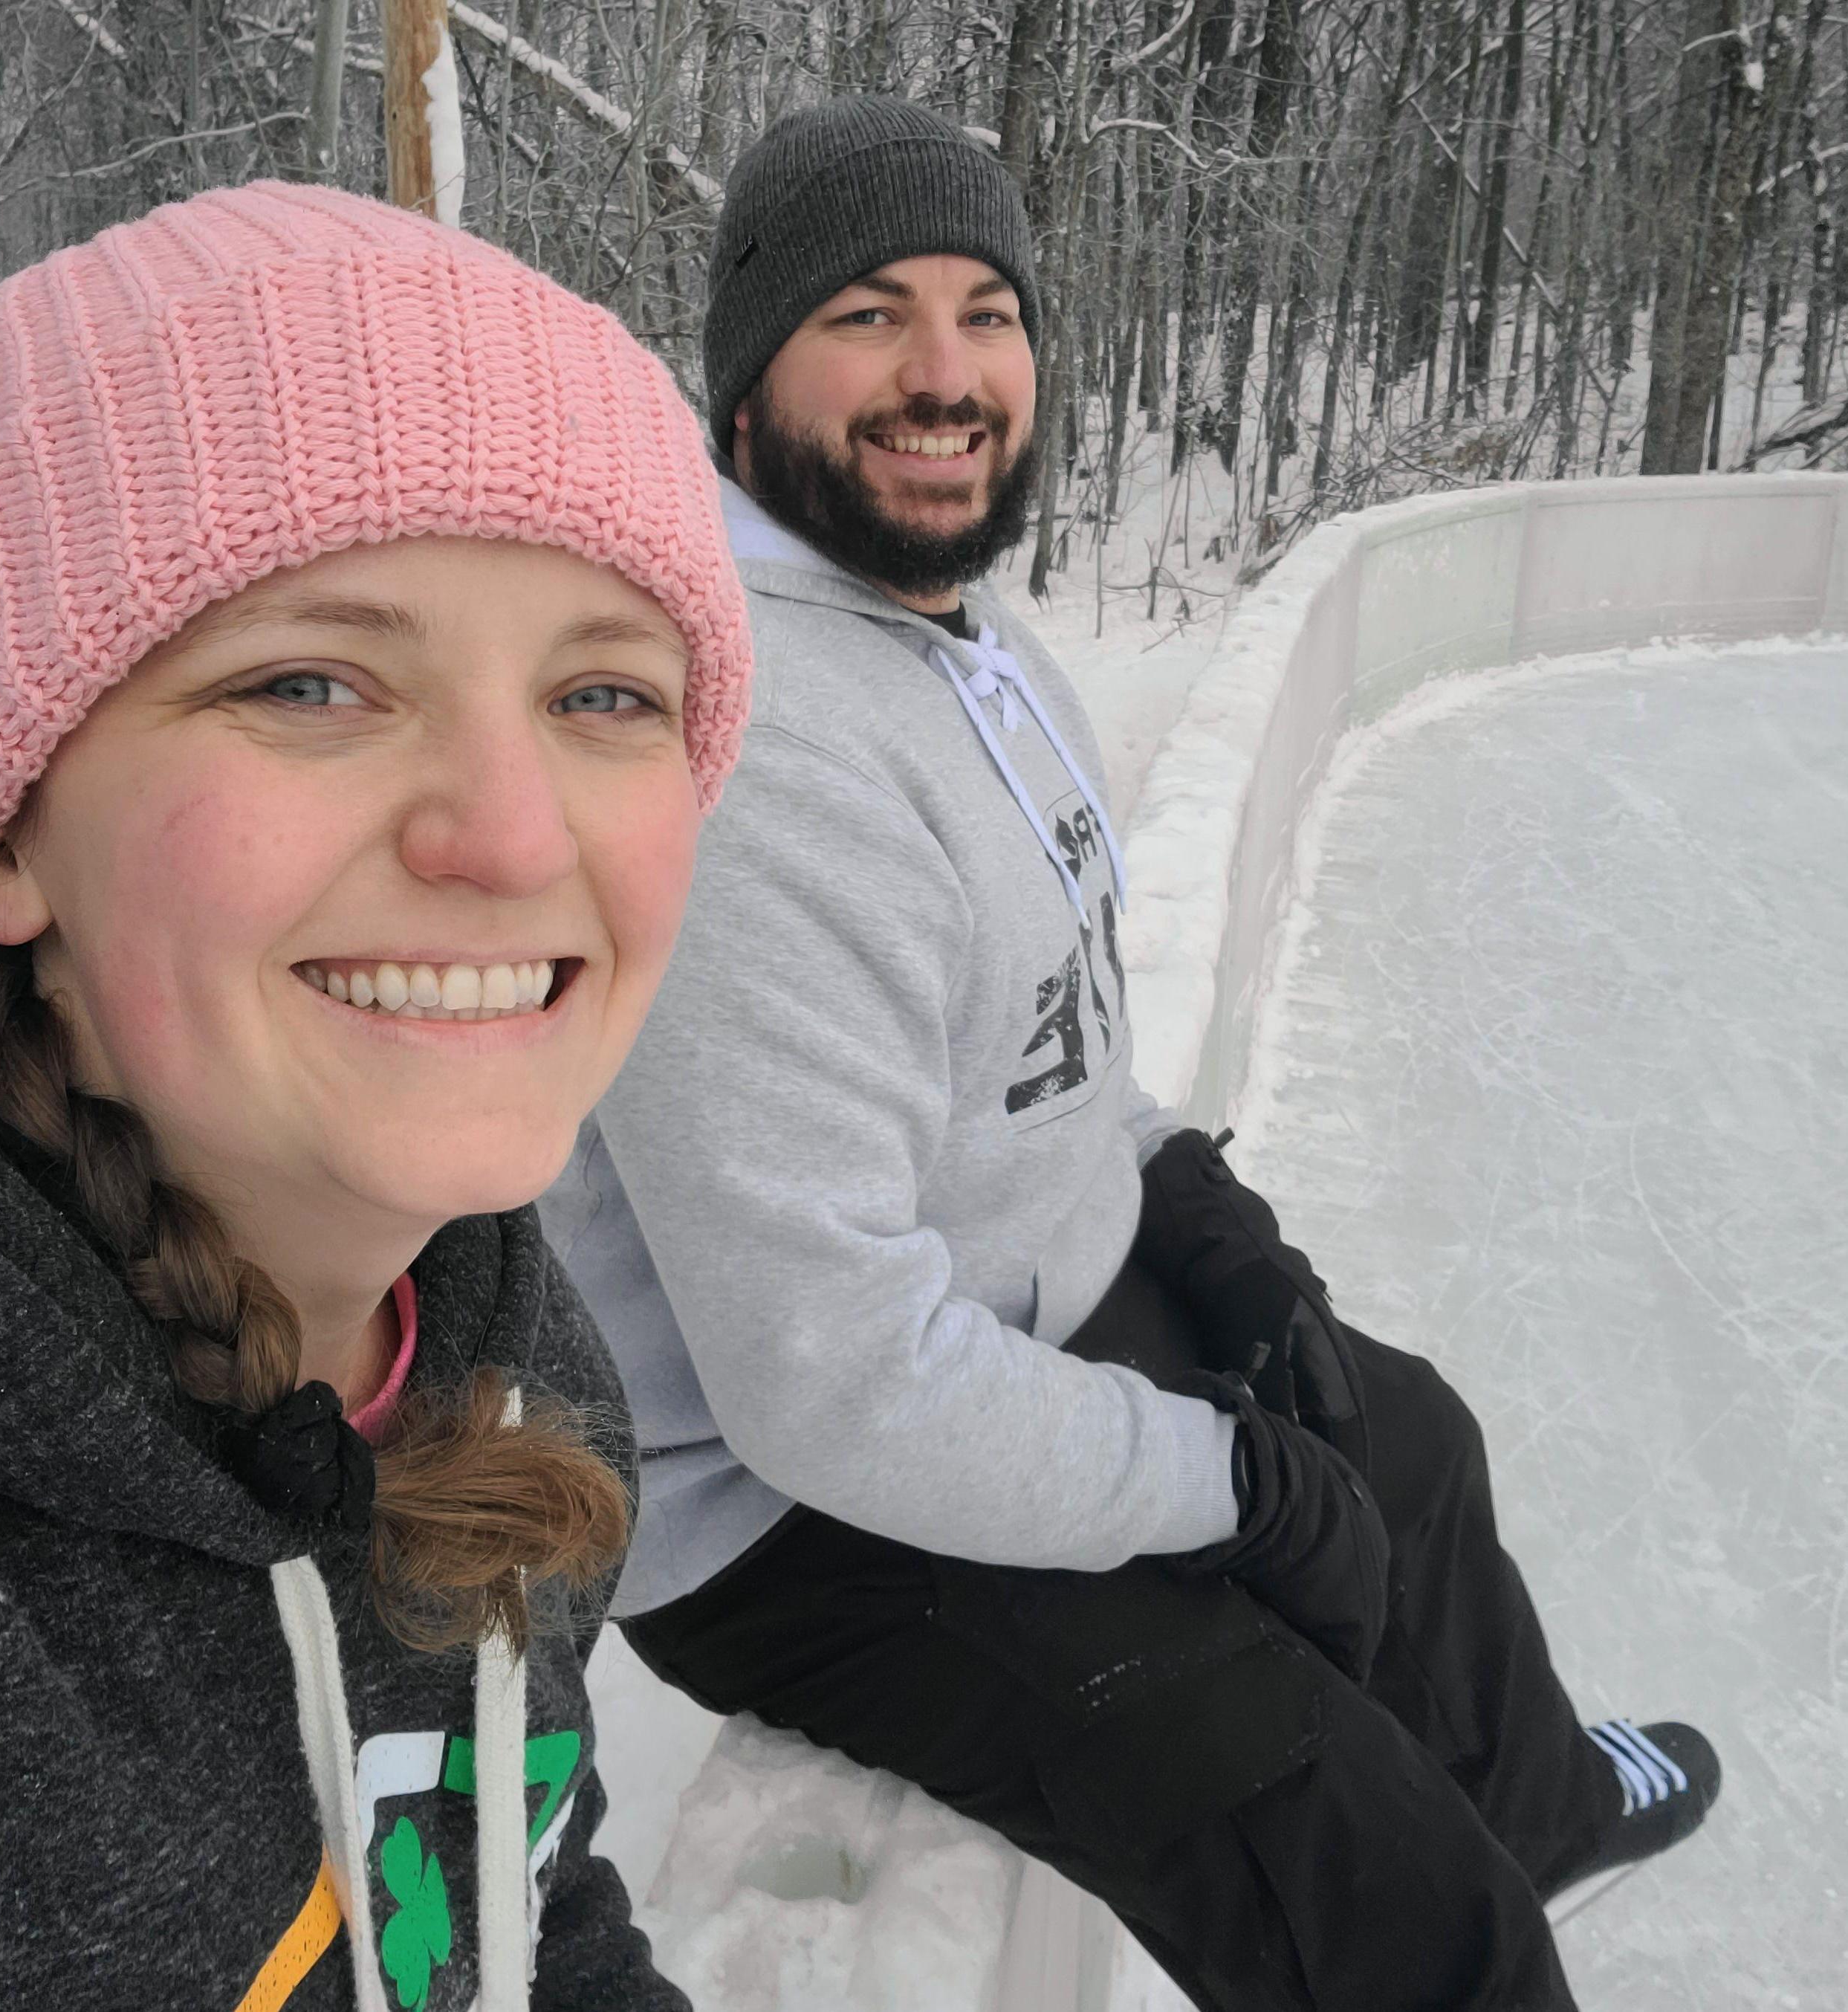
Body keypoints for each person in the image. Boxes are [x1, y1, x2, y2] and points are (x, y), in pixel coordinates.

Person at [539, 97, 1719, 2011]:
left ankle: (1539, 1801)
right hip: (806, 1518)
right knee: (1380, 1885)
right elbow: (833, 1390)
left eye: (987, 309)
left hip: (1002, 1323)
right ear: (748, 376)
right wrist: (1226, 1485)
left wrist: (1185, 1191)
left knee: (1403, 1443)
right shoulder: (745, 757)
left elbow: (1047, 1046)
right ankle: (1473, 1884)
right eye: (868, 313)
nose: (945, 373)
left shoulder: (956, 635)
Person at [0, 180, 750, 2010]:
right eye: (315, 682)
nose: (503, 836)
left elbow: (514, 1906)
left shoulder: (502, 1361)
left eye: (604, 697)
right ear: (9, 828)